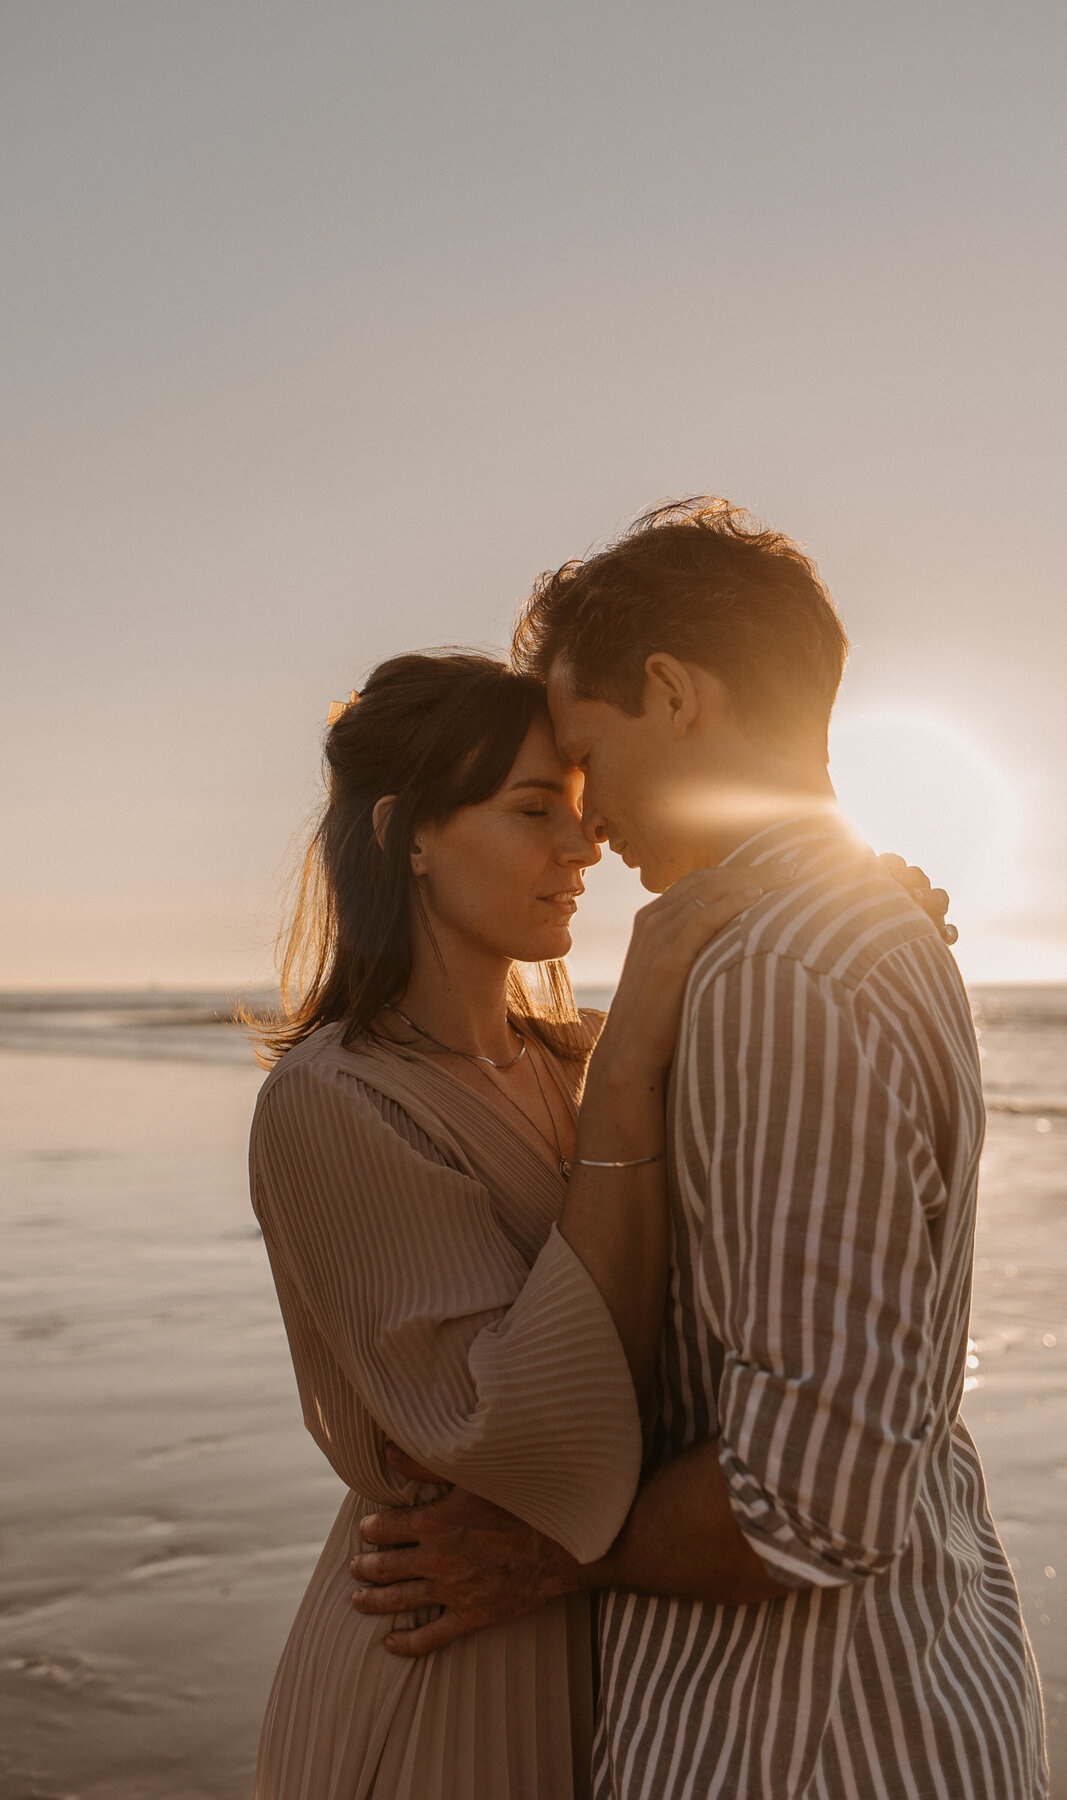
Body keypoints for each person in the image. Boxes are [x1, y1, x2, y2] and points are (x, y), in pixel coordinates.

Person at [350, 501, 1049, 1800]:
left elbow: (815, 1496)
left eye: (584, 752)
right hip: (885, 1692)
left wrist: (551, 1551)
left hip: (798, 1741)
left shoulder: (781, 974)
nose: (585, 816)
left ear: (672, 692)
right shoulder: (820, 943)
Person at [248, 649, 799, 1798]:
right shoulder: (333, 1104)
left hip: (614, 1665)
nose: (585, 848)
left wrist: (855, 906)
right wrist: (639, 1041)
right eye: (535, 809)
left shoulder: (580, 1062)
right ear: (408, 833)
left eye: (586, 813)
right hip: (437, 1677)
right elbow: (523, 1436)